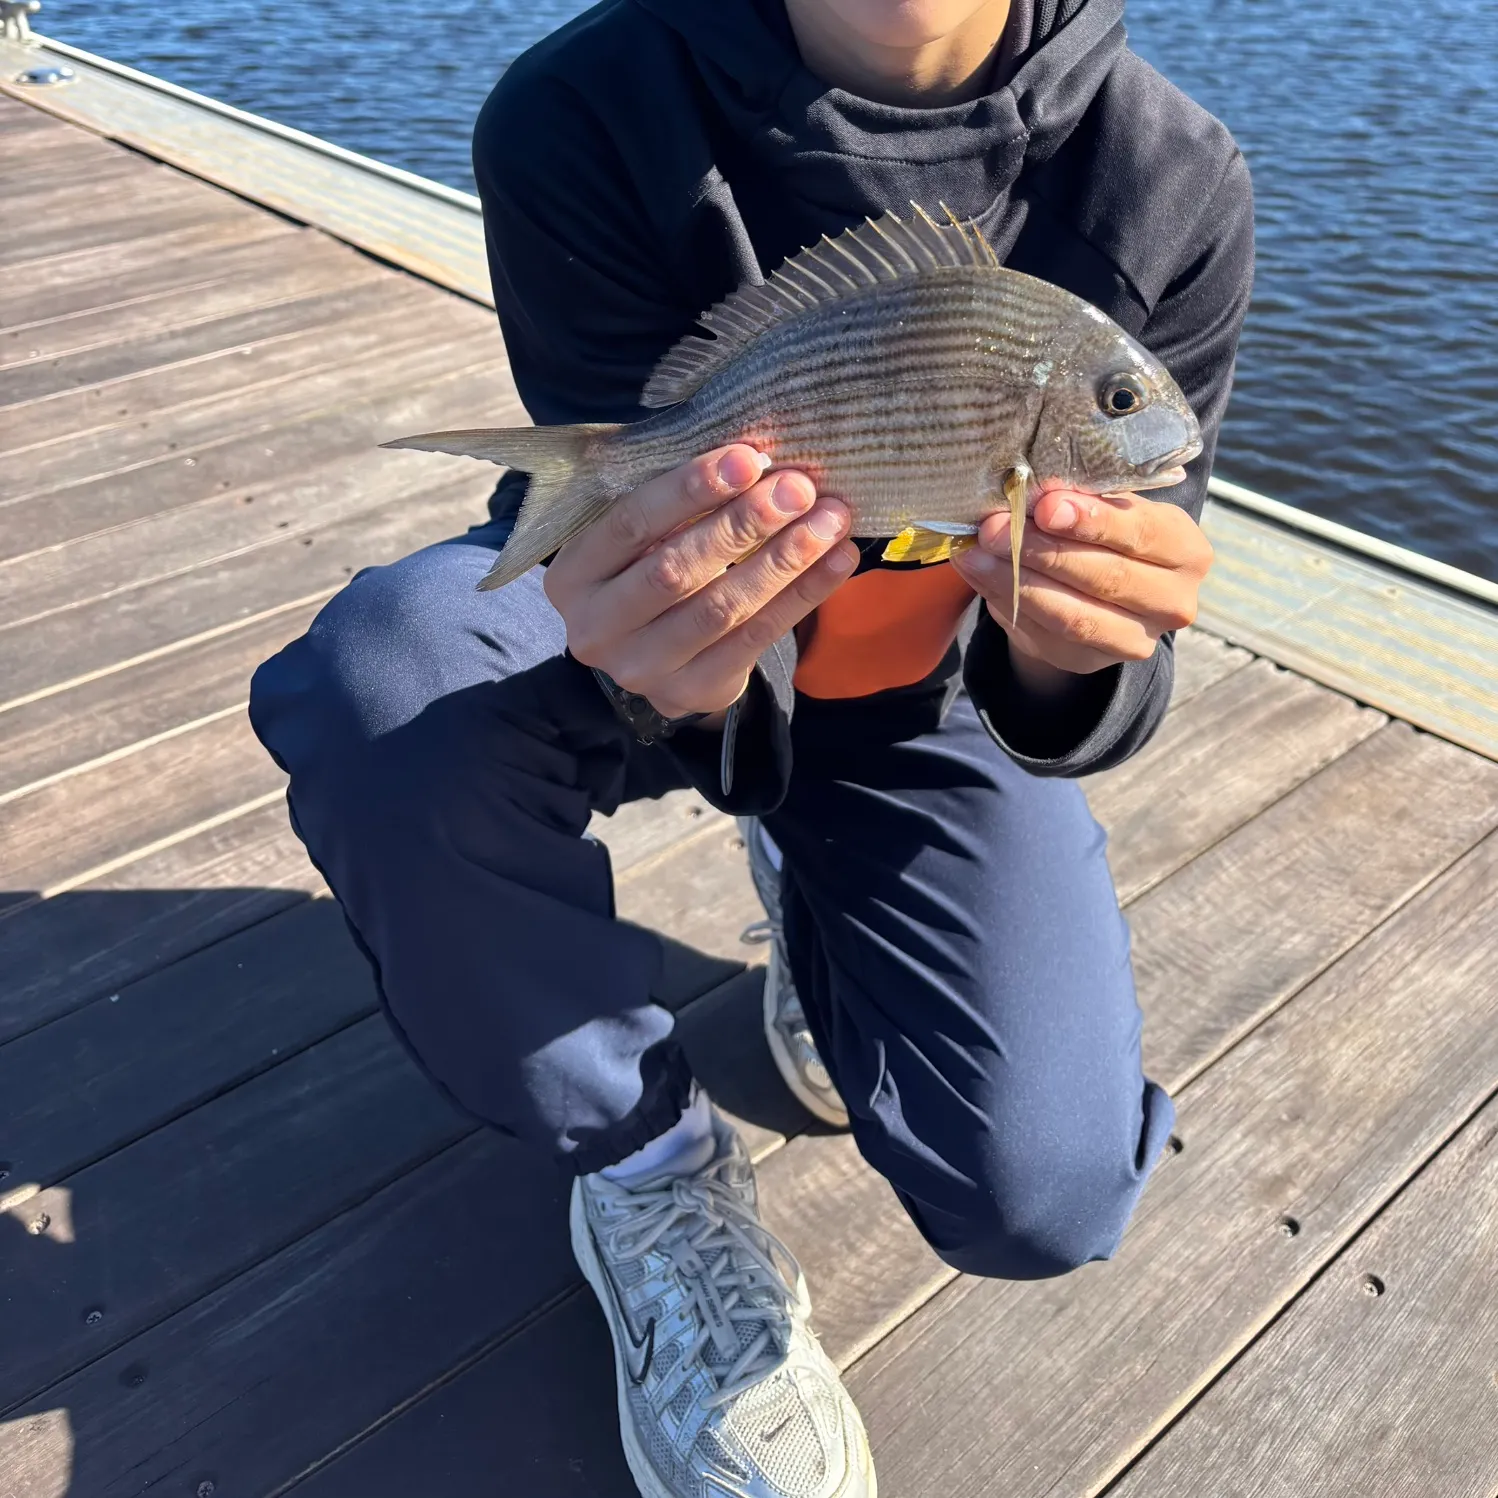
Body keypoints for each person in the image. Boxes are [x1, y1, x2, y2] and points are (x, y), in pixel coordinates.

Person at [249, 0, 1252, 1491]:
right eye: (1106, 407)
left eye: (1114, 404)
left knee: (1044, 1191)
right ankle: (645, 1162)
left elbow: (1127, 613)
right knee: (384, 687)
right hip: (640, 622)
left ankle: (814, 885)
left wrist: (1071, 642)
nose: (1129, 422)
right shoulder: (577, 109)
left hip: (937, 693)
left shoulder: (1172, 181)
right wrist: (679, 650)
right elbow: (624, 459)